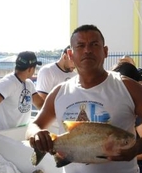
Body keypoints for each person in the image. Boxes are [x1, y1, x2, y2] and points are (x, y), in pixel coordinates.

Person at [26, 24, 142, 173]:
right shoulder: (59, 92)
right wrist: (36, 134)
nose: (87, 50)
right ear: (70, 54)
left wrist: (137, 147)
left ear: (105, 51)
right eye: (80, 46)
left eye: (94, 44)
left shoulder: (128, 87)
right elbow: (34, 125)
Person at [0, 51, 44, 131]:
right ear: (30, 69)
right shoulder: (7, 83)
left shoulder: (29, 84)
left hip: (20, 134)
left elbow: (40, 104)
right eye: (35, 68)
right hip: (3, 136)